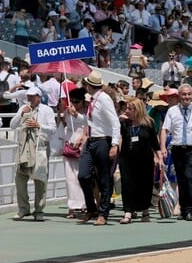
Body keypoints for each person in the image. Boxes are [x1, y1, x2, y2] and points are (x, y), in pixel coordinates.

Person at [160, 83, 192, 221]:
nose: (186, 97)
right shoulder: (172, 111)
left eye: (189, 94)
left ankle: (190, 209)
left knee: (189, 177)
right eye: (184, 94)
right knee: (181, 179)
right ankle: (183, 209)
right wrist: (163, 148)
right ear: (179, 96)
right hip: (177, 148)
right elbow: (164, 130)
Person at [77, 71, 121, 226]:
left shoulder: (104, 99)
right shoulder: (93, 99)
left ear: (90, 85)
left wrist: (114, 144)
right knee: (83, 175)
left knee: (104, 179)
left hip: (103, 141)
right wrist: (76, 115)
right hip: (92, 141)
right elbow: (92, 121)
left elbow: (115, 122)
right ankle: (92, 208)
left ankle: (103, 213)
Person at [9, 87, 56, 221]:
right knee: (20, 179)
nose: (29, 99)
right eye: (28, 96)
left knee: (40, 179)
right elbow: (12, 125)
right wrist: (21, 114)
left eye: (33, 96)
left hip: (40, 146)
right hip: (25, 147)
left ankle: (39, 210)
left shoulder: (47, 110)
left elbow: (52, 129)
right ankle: (23, 209)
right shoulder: (23, 108)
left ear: (39, 97)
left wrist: (38, 125)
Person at [118, 97, 163, 224]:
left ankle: (144, 210)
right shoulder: (124, 123)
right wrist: (118, 121)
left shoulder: (148, 123)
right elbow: (118, 137)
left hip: (144, 159)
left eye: (130, 109)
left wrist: (159, 158)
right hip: (127, 158)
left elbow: (154, 142)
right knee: (127, 184)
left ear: (137, 110)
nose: (127, 111)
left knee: (144, 185)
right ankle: (128, 211)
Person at [61, 87, 88, 219]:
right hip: (69, 144)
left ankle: (85, 203)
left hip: (83, 146)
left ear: (83, 102)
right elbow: (64, 123)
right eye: (72, 101)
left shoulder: (87, 112)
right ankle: (72, 206)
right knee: (69, 178)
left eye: (77, 102)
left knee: (82, 177)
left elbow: (87, 123)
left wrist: (76, 114)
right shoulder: (68, 111)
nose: (74, 104)